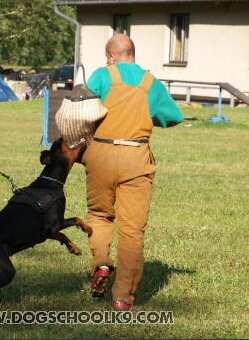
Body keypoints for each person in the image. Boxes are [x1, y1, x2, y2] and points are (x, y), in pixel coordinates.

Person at [82, 34, 183, 310]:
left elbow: (81, 108)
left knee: (100, 215)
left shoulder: (102, 75)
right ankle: (123, 297)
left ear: (111, 56)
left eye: (108, 58)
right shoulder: (151, 82)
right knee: (131, 230)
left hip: (100, 155)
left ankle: (102, 263)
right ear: (132, 54)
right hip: (136, 158)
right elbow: (174, 117)